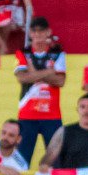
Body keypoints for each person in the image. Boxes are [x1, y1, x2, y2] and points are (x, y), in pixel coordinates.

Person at [13, 17, 66, 162]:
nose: (38, 35)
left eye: (41, 31)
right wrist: (49, 72)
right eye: (35, 31)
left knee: (57, 159)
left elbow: (61, 81)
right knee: (22, 160)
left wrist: (33, 73)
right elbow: (21, 78)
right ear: (30, 33)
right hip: (27, 114)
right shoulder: (22, 52)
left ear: (48, 32)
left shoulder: (58, 53)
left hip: (52, 114)